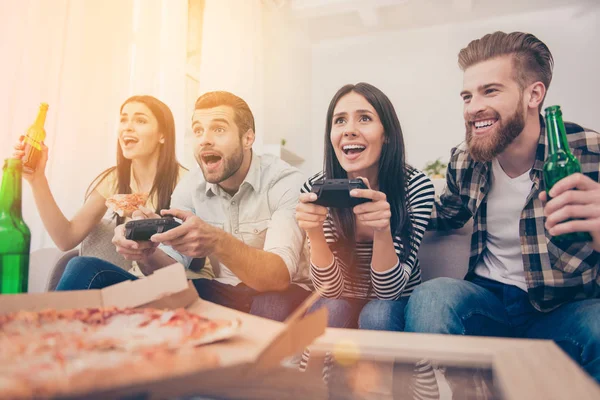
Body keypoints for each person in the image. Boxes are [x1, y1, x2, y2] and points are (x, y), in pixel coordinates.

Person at [404, 31, 600, 384]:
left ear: (534, 94)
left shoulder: (589, 153)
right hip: (489, 303)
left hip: (563, 310)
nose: (472, 107)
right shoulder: (467, 161)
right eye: (467, 95)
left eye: (490, 91)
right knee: (432, 298)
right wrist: (389, 216)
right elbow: (445, 212)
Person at [57, 91, 312, 322]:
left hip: (281, 292)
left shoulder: (284, 181)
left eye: (218, 130)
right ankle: (44, 356)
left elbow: (278, 277)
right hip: (221, 292)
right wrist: (149, 251)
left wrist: (217, 241)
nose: (205, 140)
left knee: (271, 305)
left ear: (248, 138)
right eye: (198, 130)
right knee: (82, 268)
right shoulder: (191, 186)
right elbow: (174, 270)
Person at [296, 82, 435, 331]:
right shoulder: (315, 187)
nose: (349, 130)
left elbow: (389, 290)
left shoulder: (415, 185)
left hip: (394, 303)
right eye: (339, 121)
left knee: (377, 313)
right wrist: (314, 233)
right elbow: (330, 290)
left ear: (387, 134)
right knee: (328, 309)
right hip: (340, 300)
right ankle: (310, 373)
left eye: (364, 118)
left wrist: (383, 231)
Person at [13, 95, 193, 278]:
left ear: (162, 135)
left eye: (140, 120)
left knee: (81, 266)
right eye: (123, 119)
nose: (127, 127)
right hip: (136, 283)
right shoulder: (114, 180)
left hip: (185, 283)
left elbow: (182, 265)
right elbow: (66, 238)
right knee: (74, 264)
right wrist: (37, 179)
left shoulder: (186, 183)